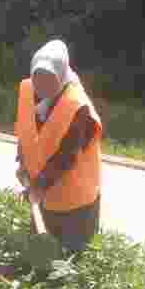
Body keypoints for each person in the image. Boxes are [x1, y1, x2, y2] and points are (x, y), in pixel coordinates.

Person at [15, 39, 103, 255]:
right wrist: (23, 164)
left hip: (75, 202)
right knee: (41, 254)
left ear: (62, 75)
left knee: (69, 257)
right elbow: (25, 130)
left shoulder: (77, 106)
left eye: (49, 79)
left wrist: (39, 185)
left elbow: (66, 156)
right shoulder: (28, 90)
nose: (42, 85)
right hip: (43, 193)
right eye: (38, 78)